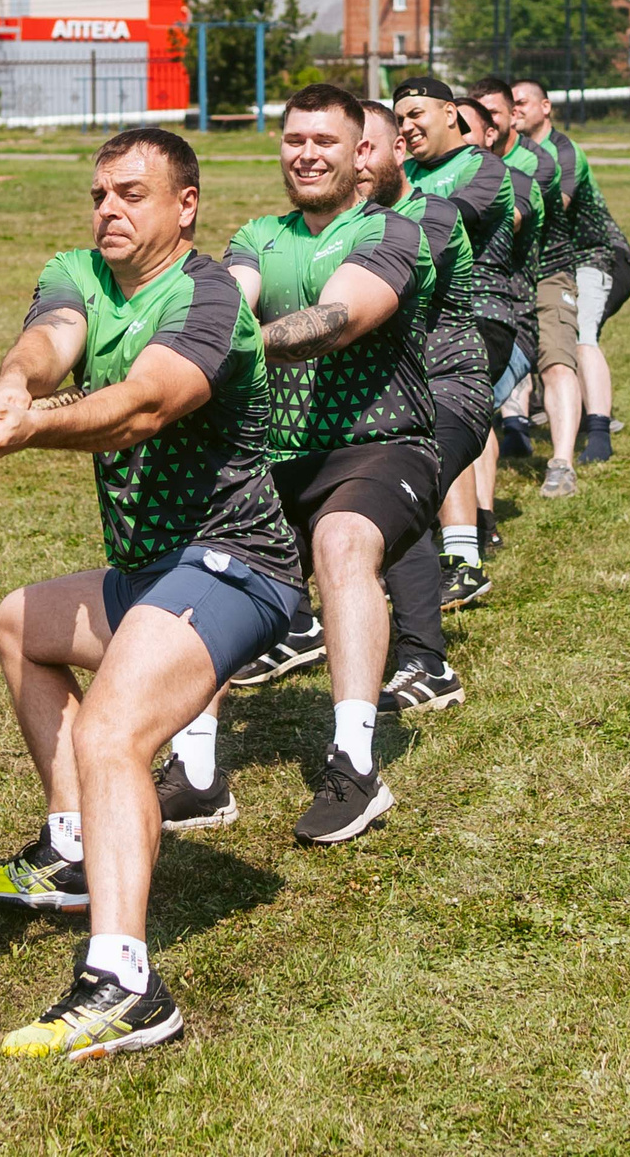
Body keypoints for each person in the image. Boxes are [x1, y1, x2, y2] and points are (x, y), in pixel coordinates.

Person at [0, 126, 303, 1059]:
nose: (110, 209)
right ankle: (73, 847)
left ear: (185, 205)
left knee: (113, 729)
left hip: (236, 563)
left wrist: (35, 429)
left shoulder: (205, 299)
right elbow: (51, 337)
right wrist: (11, 385)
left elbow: (144, 405)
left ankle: (126, 984)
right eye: (101, 193)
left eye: (133, 194)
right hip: (148, 571)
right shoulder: (79, 269)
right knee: (19, 624)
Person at [201, 83, 437, 843]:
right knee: (203, 568)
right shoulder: (256, 236)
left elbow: (335, 320)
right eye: (294, 140)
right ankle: (197, 773)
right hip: (276, 457)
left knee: (341, 543)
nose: (306, 154)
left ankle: (354, 764)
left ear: (358, 151)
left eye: (324, 142)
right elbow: (231, 305)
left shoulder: (392, 232)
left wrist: (229, 350)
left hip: (383, 442)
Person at [355, 98, 478, 711]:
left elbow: (368, 299)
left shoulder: (429, 216)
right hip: (379, 397)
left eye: (366, 148)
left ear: (399, 150)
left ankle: (428, 666)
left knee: (393, 497)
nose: (353, 163)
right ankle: (294, 625)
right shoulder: (337, 223)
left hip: (448, 386)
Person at [390, 77, 514, 610]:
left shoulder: (485, 169)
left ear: (450, 114)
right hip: (417, 315)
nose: (407, 127)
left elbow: (448, 219)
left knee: (444, 407)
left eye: (416, 113)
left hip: (482, 312)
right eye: (398, 120)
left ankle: (463, 558)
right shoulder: (405, 175)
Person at [510, 80, 630, 496]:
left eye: (521, 103)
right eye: (508, 105)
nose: (514, 111)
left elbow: (549, 208)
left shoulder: (562, 152)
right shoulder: (513, 155)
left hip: (598, 257)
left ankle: (598, 431)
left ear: (545, 107)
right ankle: (520, 422)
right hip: (552, 261)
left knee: (582, 333)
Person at [466, 77, 553, 546]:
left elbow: (513, 216)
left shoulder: (516, 178)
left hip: (509, 322)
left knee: (468, 406)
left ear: (492, 133)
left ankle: (480, 523)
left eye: (486, 117)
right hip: (453, 320)